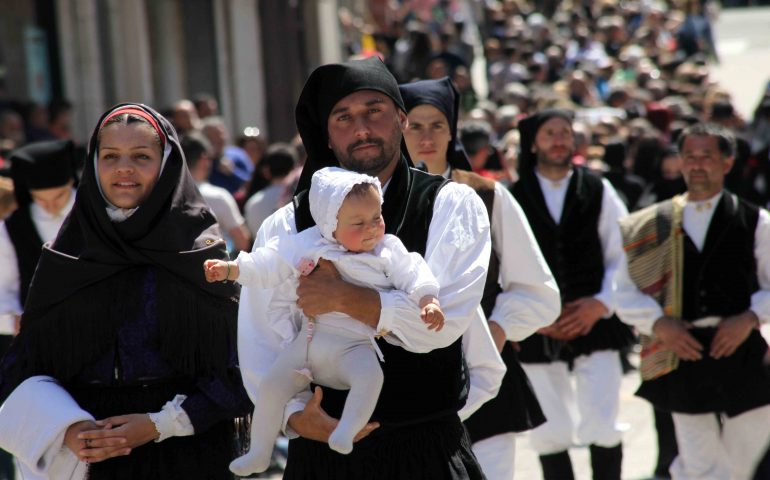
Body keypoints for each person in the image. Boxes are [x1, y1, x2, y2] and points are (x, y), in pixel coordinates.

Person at [238, 57, 493, 479]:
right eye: (343, 117)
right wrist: (296, 417)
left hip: (426, 451)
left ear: (400, 118)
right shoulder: (287, 225)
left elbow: (442, 324)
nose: (361, 129)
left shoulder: (450, 205)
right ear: (326, 134)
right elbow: (261, 340)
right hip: (323, 458)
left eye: (374, 111)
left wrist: (347, 299)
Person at [0, 103, 251, 479]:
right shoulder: (65, 257)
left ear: (167, 164)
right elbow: (23, 368)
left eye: (142, 156)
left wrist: (159, 424)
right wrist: (68, 430)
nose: (123, 169)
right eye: (110, 156)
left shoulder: (200, 255)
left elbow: (242, 371)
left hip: (188, 454)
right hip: (91, 458)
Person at [206, 166, 445, 474]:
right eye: (358, 222)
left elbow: (416, 272)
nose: (373, 228)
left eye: (377, 217)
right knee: (272, 387)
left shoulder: (387, 250)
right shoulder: (308, 242)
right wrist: (232, 270)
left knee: (371, 378)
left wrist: (428, 300)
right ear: (330, 224)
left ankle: (346, 429)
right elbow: (269, 261)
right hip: (308, 342)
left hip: (354, 346)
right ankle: (260, 450)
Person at [399, 77, 560, 480]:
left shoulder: (488, 195)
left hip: (485, 380)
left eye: (436, 124)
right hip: (406, 387)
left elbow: (539, 291)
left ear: (452, 129)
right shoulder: (376, 199)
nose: (426, 136)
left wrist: (497, 330)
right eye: (414, 125)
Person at [615, 123, 770, 480]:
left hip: (742, 354)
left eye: (707, 156)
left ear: (727, 163)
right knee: (701, 465)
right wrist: (657, 324)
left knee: (745, 462)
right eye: (690, 157)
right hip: (681, 356)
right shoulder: (652, 224)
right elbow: (622, 289)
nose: (697, 165)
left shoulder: (755, 221)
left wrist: (748, 318)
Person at [511, 109, 634, 480]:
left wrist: (601, 303)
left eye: (565, 132)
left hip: (596, 323)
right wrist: (532, 317)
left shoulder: (598, 189)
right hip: (538, 329)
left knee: (603, 422)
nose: (559, 139)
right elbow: (504, 265)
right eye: (550, 133)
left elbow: (624, 251)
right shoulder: (512, 196)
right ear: (534, 142)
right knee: (550, 431)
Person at [180, 133, 251, 252]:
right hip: (214, 266)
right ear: (204, 160)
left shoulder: (164, 195)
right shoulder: (218, 196)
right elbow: (242, 242)